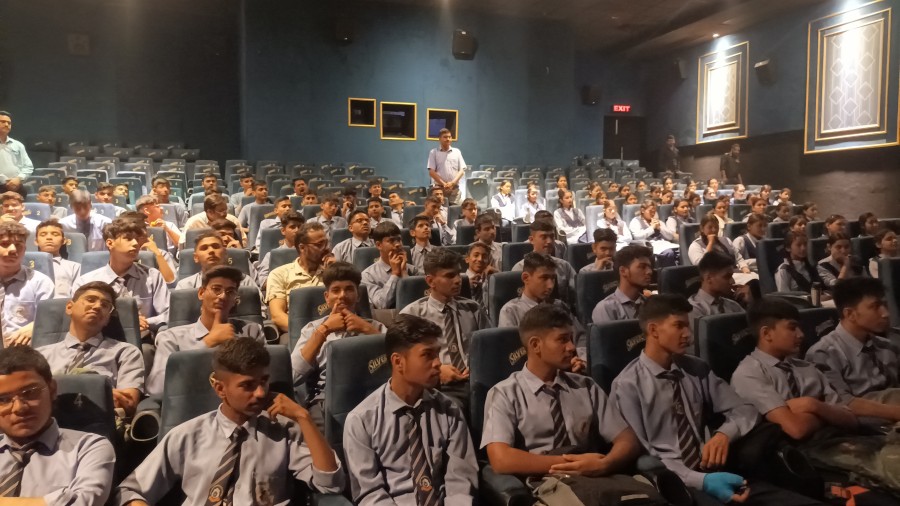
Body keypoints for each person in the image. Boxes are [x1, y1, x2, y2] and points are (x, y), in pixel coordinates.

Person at [611, 294, 822, 506]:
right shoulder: (628, 385)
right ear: (654, 330)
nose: (688, 334)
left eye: (688, 326)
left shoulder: (695, 369)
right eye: (679, 326)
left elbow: (746, 409)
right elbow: (643, 454)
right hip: (677, 484)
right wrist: (701, 480)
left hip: (715, 469)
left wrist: (724, 434)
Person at [116, 338, 344, 504]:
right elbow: (130, 490)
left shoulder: (284, 431)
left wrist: (303, 417)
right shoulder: (186, 435)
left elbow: (331, 483)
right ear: (219, 388)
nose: (260, 393)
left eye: (264, 381)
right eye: (247, 385)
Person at [484, 304, 655, 504]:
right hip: (546, 485)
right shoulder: (505, 393)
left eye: (571, 339)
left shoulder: (586, 386)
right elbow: (501, 459)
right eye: (562, 339)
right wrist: (572, 464)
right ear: (535, 345)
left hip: (596, 481)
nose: (572, 347)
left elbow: (627, 440)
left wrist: (605, 464)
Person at [343, 313, 477, 504]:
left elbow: (461, 479)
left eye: (437, 353)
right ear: (398, 362)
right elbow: (369, 493)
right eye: (427, 355)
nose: (438, 363)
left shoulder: (449, 409)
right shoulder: (361, 420)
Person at [0, 346, 115, 502]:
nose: (19, 408)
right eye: (3, 400)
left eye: (30, 393)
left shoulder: (88, 447)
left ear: (52, 390)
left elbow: (82, 502)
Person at [292, 262, 385, 429]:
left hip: (372, 399)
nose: (342, 295)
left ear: (358, 295)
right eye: (336, 290)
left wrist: (367, 329)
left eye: (349, 289)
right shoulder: (312, 329)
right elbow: (294, 375)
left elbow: (400, 362)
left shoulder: (376, 327)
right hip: (325, 401)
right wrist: (325, 330)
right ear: (327, 297)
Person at [149, 266, 265, 397]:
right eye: (216, 289)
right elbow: (157, 390)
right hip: (191, 405)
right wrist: (208, 342)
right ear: (201, 293)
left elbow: (264, 379)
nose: (223, 296)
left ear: (235, 300)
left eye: (230, 291)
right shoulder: (171, 338)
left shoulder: (251, 332)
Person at [36, 281, 143, 417]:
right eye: (91, 300)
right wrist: (99, 392)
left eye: (105, 305)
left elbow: (128, 403)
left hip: (98, 422)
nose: (97, 306)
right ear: (69, 307)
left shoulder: (126, 352)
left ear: (108, 318)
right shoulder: (40, 355)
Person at [400, 249, 490, 408]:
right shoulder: (412, 315)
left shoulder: (473, 308)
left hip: (477, 380)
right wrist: (436, 370)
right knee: (454, 406)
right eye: (450, 276)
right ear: (430, 281)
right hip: (438, 385)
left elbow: (489, 346)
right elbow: (404, 360)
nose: (458, 280)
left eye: (458, 274)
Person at [805, 277, 900, 421]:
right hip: (866, 425)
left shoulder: (887, 346)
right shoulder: (825, 353)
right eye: (875, 307)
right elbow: (843, 403)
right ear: (850, 314)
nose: (885, 313)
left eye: (885, 305)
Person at [71, 218, 169, 335]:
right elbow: (76, 316)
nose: (136, 243)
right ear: (110, 243)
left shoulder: (152, 276)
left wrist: (145, 322)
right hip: (101, 338)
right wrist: (127, 321)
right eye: (128, 238)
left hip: (143, 337)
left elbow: (167, 313)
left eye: (137, 239)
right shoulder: (85, 282)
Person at [500, 252, 588, 358]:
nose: (550, 286)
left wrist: (581, 359)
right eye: (544, 278)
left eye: (553, 278)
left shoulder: (559, 306)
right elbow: (513, 354)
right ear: (526, 278)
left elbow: (581, 339)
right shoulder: (510, 311)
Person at [267, 222, 330, 335]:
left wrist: (335, 272)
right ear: (302, 247)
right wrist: (313, 334)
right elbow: (277, 316)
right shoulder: (279, 274)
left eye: (326, 243)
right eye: (319, 244)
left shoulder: (331, 273)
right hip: (298, 334)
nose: (326, 248)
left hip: (333, 331)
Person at [0, 222, 54, 346]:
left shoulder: (40, 282)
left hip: (23, 349)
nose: (13, 249)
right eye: (5, 244)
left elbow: (50, 319)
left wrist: (36, 326)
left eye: (18, 245)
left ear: (24, 249)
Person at [511, 220, 577, 307]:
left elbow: (576, 294)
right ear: (531, 240)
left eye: (552, 237)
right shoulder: (520, 268)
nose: (549, 241)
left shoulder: (564, 266)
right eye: (544, 237)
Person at [176, 230, 260, 290]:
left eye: (216, 247)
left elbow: (259, 309)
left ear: (225, 253)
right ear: (196, 257)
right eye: (204, 248)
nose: (211, 251)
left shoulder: (245, 282)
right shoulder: (184, 286)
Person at [591, 244, 652, 324]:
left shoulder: (651, 305)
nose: (649, 272)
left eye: (649, 267)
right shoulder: (606, 308)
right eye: (642, 267)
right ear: (623, 271)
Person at [361, 221, 413, 310]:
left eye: (399, 240)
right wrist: (395, 274)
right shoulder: (368, 275)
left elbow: (417, 300)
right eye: (391, 241)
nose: (397, 244)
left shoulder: (412, 270)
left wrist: (404, 272)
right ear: (379, 245)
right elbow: (382, 304)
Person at [688, 215, 754, 284]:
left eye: (716, 227)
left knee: (755, 279)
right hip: (715, 279)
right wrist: (710, 243)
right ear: (702, 229)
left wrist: (744, 267)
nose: (714, 230)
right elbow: (702, 266)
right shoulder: (695, 246)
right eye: (710, 227)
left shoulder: (726, 240)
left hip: (733, 273)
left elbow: (738, 258)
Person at [688, 253, 744, 328]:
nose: (732, 281)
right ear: (709, 278)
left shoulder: (733, 305)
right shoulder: (694, 309)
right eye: (727, 277)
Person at [256, 211, 305, 292]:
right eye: (292, 227)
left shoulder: (309, 253)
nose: (297, 230)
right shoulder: (271, 255)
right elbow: (263, 282)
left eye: (300, 227)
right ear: (283, 231)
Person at [35, 219, 81, 299]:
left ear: (63, 241)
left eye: (55, 234)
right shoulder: (26, 266)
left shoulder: (74, 267)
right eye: (43, 235)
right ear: (36, 241)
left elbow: (78, 295)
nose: (49, 238)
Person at [179, 194, 245, 248]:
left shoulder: (233, 220)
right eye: (221, 211)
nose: (225, 214)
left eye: (226, 210)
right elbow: (182, 244)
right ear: (209, 212)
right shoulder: (194, 222)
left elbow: (244, 241)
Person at [427, 128, 467, 205]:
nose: (448, 139)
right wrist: (444, 184)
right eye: (445, 137)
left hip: (454, 190)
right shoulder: (433, 152)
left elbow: (462, 170)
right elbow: (431, 172)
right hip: (440, 190)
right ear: (439, 139)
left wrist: (452, 183)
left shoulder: (457, 152)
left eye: (449, 137)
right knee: (440, 210)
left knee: (454, 210)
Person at [0, 111, 32, 191]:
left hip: (17, 187)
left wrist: (19, 179)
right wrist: (5, 180)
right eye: (3, 122)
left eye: (9, 123)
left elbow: (28, 166)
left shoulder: (18, 145)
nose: (6, 125)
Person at [464, 241, 496, 306]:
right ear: (467, 259)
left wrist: (498, 276)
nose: (480, 259)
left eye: (484, 256)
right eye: (476, 255)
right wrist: (465, 287)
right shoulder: (460, 281)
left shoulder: (493, 280)